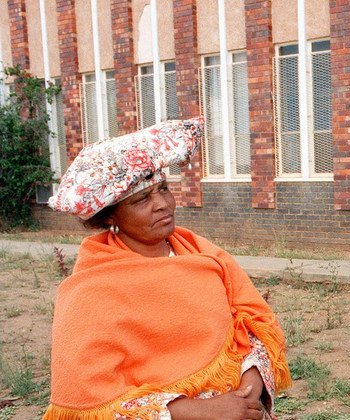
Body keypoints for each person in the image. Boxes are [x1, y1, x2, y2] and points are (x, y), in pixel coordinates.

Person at [44, 117, 290, 419]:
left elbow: (252, 324)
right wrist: (204, 411)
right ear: (109, 217)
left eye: (163, 188)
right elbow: (91, 395)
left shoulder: (201, 253)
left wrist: (250, 386)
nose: (162, 204)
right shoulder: (92, 288)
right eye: (142, 198)